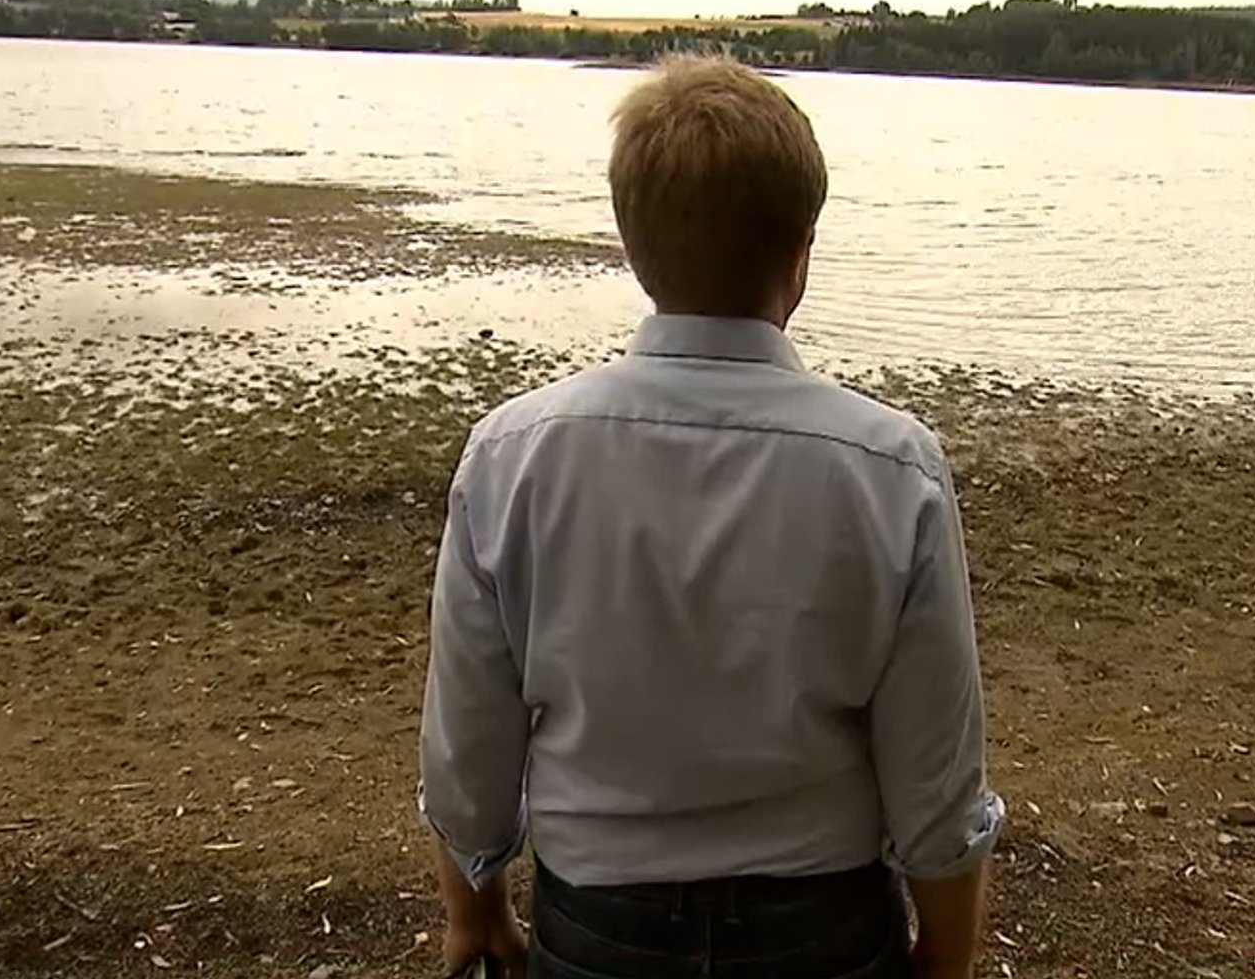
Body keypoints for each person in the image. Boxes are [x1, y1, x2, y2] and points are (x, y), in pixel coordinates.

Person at [419, 57, 1005, 979]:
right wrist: (947, 956)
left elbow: (469, 741)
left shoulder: (513, 455)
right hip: (823, 930)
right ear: (800, 253)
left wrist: (476, 907)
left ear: (632, 244)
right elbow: (937, 769)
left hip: (600, 930)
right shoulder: (893, 469)